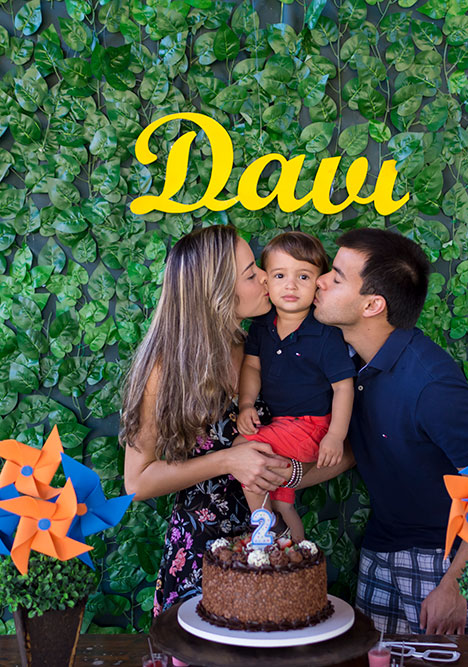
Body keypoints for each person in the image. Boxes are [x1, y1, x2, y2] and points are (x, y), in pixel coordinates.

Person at [119, 225, 353, 616]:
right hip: (200, 559)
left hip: (274, 553)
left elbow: (345, 450)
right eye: (250, 274)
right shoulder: (165, 370)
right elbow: (137, 482)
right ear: (215, 292)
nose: (264, 277)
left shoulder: (263, 350)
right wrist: (229, 460)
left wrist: (291, 473)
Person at [312, 228, 468, 636]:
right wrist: (280, 477)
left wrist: (455, 584)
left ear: (373, 304)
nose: (320, 281)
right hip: (379, 551)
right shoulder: (348, 361)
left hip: (443, 561)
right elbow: (361, 449)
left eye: (337, 277)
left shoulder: (432, 385)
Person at [235, 232, 355, 542]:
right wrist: (246, 404)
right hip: (280, 426)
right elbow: (252, 367)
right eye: (279, 276)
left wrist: (335, 436)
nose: (291, 285)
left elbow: (343, 387)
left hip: (311, 426)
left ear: (319, 283)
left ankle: (262, 531)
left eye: (303, 276)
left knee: (245, 449)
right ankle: (298, 554)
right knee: (283, 503)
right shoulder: (262, 325)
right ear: (266, 281)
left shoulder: (324, 333)